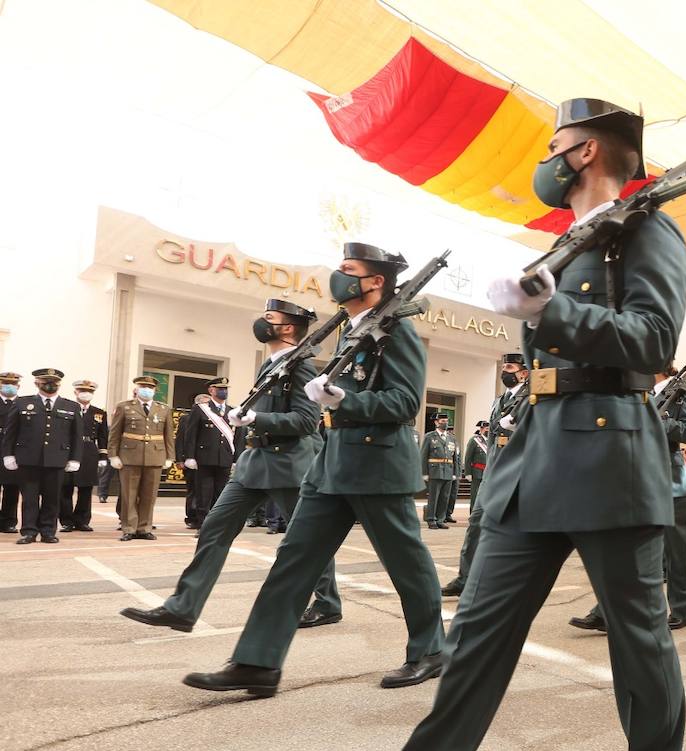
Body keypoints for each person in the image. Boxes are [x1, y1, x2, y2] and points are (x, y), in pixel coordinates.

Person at [271, 97, 686, 751]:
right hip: (534, 460)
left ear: (589, 151)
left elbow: (655, 340)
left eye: (557, 145)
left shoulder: (647, 229)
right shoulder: (568, 240)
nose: (547, 157)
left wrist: (551, 307)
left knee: (639, 643)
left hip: (609, 451)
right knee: (473, 649)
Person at [180, 242, 444, 695]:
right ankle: (257, 662)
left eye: (348, 269)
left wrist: (345, 400)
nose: (337, 276)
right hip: (332, 466)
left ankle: (431, 649)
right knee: (293, 561)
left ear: (375, 281)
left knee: (407, 564)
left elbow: (405, 402)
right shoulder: (350, 329)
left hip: (377, 465)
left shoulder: (396, 333)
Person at [119, 299, 343, 633]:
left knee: (308, 538)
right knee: (215, 527)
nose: (261, 322)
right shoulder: (272, 364)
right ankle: (183, 606)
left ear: (288, 327)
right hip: (255, 463)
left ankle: (327, 603)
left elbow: (307, 420)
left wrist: (256, 417)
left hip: (289, 464)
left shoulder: (302, 366)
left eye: (270, 318)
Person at [572, 363, 686, 631]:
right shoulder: (638, 393)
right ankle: (606, 611)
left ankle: (680, 610)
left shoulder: (683, 394)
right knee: (625, 549)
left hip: (670, 479)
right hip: (636, 477)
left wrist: (657, 417)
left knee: (676, 550)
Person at [441, 353, 527, 599]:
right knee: (476, 525)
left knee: (516, 534)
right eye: (505, 367)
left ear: (524, 373)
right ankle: (465, 578)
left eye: (510, 367)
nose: (505, 371)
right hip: (493, 471)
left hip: (518, 472)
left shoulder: (530, 398)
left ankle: (506, 584)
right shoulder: (499, 400)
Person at [1, 368, 82, 544]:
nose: (50, 384)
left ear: (60, 384)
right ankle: (29, 531)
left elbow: (76, 436)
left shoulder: (71, 406)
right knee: (29, 498)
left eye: (54, 381)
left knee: (52, 498)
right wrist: (8, 455)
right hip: (28, 459)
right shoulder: (22, 403)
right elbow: (11, 432)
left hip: (57, 459)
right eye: (45, 381)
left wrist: (75, 458)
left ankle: (48, 531)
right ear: (37, 383)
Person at [108, 376, 174, 541]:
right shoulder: (124, 407)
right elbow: (114, 433)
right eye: (143, 386)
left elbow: (169, 435)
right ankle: (129, 528)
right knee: (129, 494)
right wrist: (113, 455)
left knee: (149, 495)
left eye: (150, 388)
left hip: (155, 455)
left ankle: (144, 528)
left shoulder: (163, 409)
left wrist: (169, 456)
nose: (147, 390)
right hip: (129, 456)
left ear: (155, 391)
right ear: (136, 389)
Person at [183, 377, 237, 528]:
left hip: (225, 458)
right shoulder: (200, 409)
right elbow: (191, 434)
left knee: (221, 495)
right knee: (204, 495)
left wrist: (235, 459)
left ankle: (217, 525)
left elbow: (237, 437)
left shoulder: (232, 411)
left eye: (225, 389)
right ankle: (203, 525)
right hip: (205, 459)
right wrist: (189, 456)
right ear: (211, 390)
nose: (223, 391)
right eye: (220, 388)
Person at [58, 379, 107, 533]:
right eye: (82, 391)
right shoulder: (67, 408)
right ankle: (66, 521)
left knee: (86, 489)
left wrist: (103, 456)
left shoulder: (99, 413)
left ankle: (82, 521)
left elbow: (103, 436)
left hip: (89, 451)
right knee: (66, 488)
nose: (86, 394)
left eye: (90, 391)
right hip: (69, 451)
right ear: (75, 392)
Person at [420, 413, 457, 530]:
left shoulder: (452, 438)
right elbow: (423, 455)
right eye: (442, 421)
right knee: (433, 497)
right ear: (436, 422)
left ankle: (440, 520)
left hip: (448, 471)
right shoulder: (430, 436)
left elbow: (455, 457)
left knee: (444, 497)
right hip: (434, 471)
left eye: (446, 421)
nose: (445, 423)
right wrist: (424, 473)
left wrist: (455, 473)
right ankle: (431, 519)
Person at [0, 371, 22, 532]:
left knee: (12, 488)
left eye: (13, 384)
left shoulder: (23, 404)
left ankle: (8, 521)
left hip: (14, 451)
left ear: (18, 386)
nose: (9, 386)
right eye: (5, 383)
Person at [175, 400, 201, 527]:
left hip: (206, 460)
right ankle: (191, 517)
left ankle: (202, 516)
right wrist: (179, 459)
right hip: (190, 460)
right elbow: (180, 439)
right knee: (193, 490)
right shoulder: (186, 419)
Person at [459, 419, 489, 520]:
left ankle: (483, 515)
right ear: (481, 429)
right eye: (486, 428)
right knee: (475, 495)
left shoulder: (491, 441)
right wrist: (468, 473)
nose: (488, 430)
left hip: (488, 473)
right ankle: (474, 515)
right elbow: (468, 457)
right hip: (477, 471)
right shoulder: (474, 440)